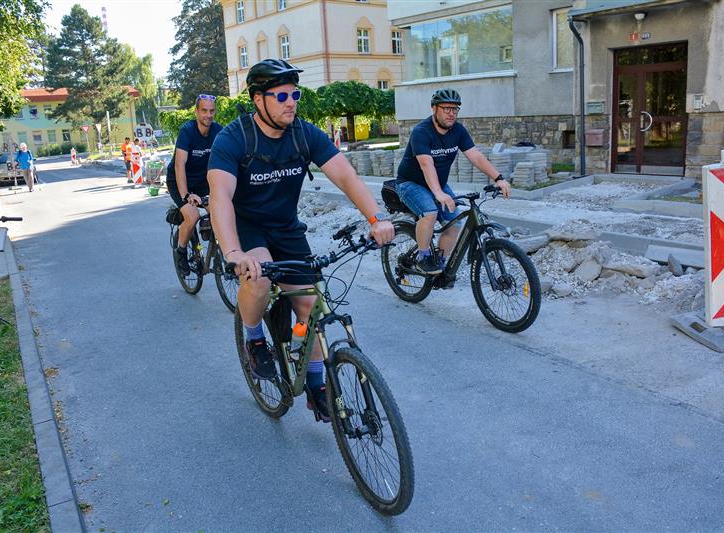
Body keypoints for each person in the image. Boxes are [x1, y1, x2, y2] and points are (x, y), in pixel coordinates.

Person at [207, 59, 394, 422]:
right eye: (281, 95)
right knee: (258, 279)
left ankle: (315, 386)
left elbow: (347, 176)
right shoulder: (234, 138)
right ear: (258, 100)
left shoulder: (303, 134)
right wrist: (232, 252)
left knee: (310, 308)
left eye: (295, 94)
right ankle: (254, 338)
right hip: (246, 227)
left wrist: (376, 218)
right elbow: (220, 198)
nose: (291, 102)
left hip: (287, 228)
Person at [396, 88, 511, 274]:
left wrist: (498, 178)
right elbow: (426, 165)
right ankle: (423, 257)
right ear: (434, 108)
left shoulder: (458, 130)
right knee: (430, 213)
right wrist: (438, 193)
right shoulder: (421, 132)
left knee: (455, 223)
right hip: (410, 184)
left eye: (455, 109)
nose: (451, 113)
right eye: (446, 108)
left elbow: (476, 157)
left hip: (437, 185)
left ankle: (439, 262)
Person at [166, 94, 223, 276]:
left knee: (221, 211)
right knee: (192, 216)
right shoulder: (187, 131)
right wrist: (186, 196)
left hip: (203, 182)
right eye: (204, 110)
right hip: (179, 180)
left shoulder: (218, 131)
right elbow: (179, 164)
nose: (208, 115)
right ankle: (181, 252)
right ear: (197, 111)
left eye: (212, 111)